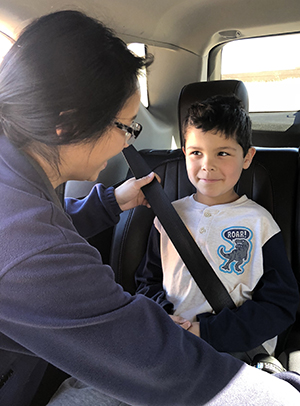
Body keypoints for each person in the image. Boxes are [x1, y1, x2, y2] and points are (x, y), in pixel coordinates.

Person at [0, 9, 300, 406]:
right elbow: (149, 349)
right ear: (68, 125)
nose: (128, 144)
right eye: (125, 126)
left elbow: (39, 232)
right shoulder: (29, 244)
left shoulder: (16, 189)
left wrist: (111, 201)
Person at [136, 95, 299, 358]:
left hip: (235, 350)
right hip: (171, 342)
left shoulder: (260, 223)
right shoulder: (167, 217)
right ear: (184, 154)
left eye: (222, 153)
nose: (207, 165)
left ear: (247, 158)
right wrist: (164, 317)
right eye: (196, 153)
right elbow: (148, 281)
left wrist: (207, 331)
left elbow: (280, 305)